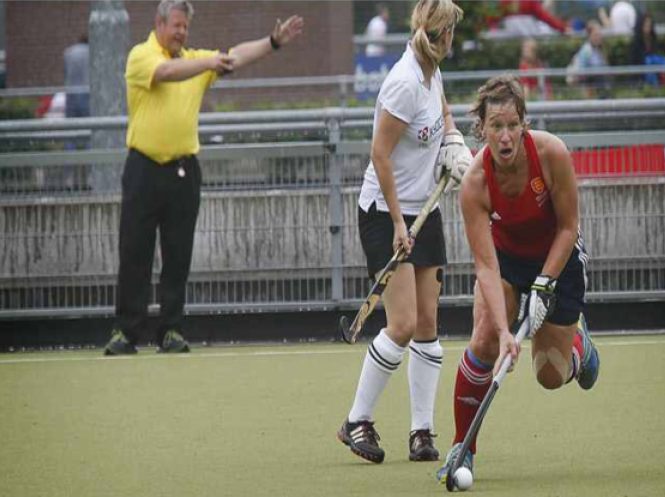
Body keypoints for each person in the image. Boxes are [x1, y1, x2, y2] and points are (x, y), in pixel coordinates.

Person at [103, 0, 303, 355]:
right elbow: (165, 73)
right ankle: (126, 332)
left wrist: (272, 42)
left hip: (184, 171)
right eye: (176, 25)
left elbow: (234, 57)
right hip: (143, 169)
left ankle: (171, 331)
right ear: (159, 23)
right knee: (134, 252)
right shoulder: (141, 56)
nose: (181, 32)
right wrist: (207, 62)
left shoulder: (197, 60)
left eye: (185, 27)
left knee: (178, 254)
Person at [436, 74, 600, 484]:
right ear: (482, 129)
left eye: (512, 125)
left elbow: (568, 227)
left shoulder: (551, 154)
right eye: (496, 126)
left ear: (524, 123)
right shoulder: (474, 185)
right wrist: (506, 330)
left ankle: (580, 346)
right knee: (485, 339)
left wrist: (546, 281)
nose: (505, 136)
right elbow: (486, 266)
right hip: (507, 261)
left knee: (549, 375)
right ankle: (463, 449)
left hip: (557, 258)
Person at [337, 0, 471, 464]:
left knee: (429, 324)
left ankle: (422, 431)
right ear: (444, 34)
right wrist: (396, 222)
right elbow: (379, 154)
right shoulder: (403, 82)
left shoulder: (433, 73)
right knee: (402, 324)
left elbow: (445, 114)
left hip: (425, 210)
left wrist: (453, 143)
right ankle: (357, 420)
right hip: (384, 213)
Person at [567, 20, 611, 98]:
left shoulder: (600, 50)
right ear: (589, 36)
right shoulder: (586, 51)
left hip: (598, 84)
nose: (599, 37)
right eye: (596, 35)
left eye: (599, 35)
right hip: (589, 83)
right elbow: (580, 72)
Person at [629, 11, 665, 86]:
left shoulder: (653, 39)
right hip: (641, 70)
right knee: (649, 62)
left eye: (649, 24)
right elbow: (636, 60)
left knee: (663, 61)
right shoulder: (636, 41)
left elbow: (656, 53)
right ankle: (653, 85)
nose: (648, 26)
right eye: (646, 24)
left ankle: (663, 84)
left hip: (653, 65)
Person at [63, 34, 90, 119]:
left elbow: (66, 71)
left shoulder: (68, 52)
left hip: (71, 90)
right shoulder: (91, 52)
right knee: (88, 121)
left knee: (72, 122)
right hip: (87, 90)